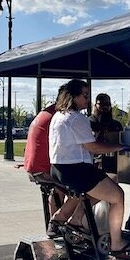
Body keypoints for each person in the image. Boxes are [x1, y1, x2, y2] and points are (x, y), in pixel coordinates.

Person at [49, 79, 127, 260]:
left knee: (102, 189)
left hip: (59, 168)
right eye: (84, 95)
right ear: (73, 97)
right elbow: (94, 148)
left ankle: (74, 220)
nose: (87, 99)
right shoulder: (77, 118)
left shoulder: (58, 116)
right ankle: (117, 244)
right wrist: (119, 146)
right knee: (118, 196)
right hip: (77, 169)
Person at [25, 85, 83, 232]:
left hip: (34, 165)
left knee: (61, 187)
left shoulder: (47, 112)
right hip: (44, 167)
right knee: (84, 187)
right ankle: (62, 222)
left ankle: (56, 224)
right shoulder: (60, 116)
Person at [88, 93, 123, 173]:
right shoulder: (89, 123)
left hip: (114, 162)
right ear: (95, 105)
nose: (105, 107)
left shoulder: (116, 125)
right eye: (101, 104)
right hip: (94, 162)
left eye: (107, 104)